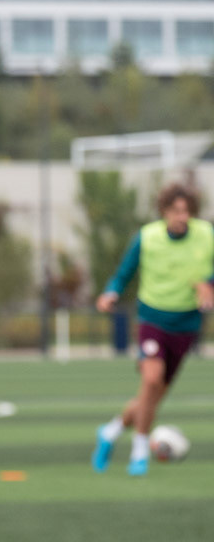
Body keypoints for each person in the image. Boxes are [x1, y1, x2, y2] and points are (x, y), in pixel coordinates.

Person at [92, 182, 214, 477]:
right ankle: (139, 451)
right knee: (151, 380)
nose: (182, 217)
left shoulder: (206, 234)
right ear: (164, 211)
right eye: (176, 211)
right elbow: (123, 273)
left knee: (153, 396)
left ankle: (110, 432)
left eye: (187, 211)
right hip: (152, 321)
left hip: (186, 326)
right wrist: (111, 292)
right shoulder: (147, 237)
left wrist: (208, 286)